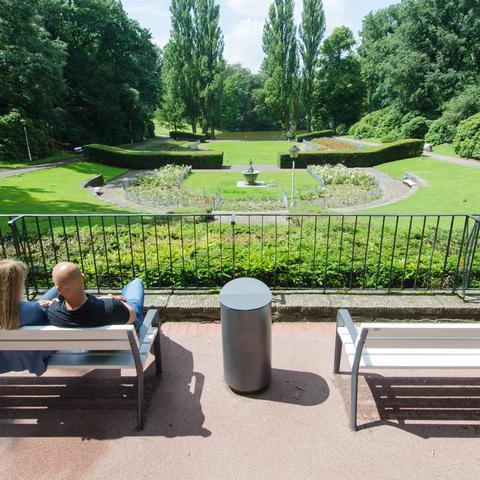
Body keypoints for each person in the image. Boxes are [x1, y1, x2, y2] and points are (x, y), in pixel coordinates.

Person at [46, 262, 145, 333]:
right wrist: (115, 301)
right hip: (121, 341)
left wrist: (103, 299)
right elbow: (133, 316)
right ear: (83, 278)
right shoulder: (112, 307)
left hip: (86, 348)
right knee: (136, 283)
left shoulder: (53, 313)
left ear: (58, 289)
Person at [0, 259, 59, 375]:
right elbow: (52, 325)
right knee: (60, 289)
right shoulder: (32, 311)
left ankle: (60, 287)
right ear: (16, 285)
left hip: (4, 360)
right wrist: (55, 305)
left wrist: (37, 306)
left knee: (56, 290)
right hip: (31, 357)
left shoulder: (31, 309)